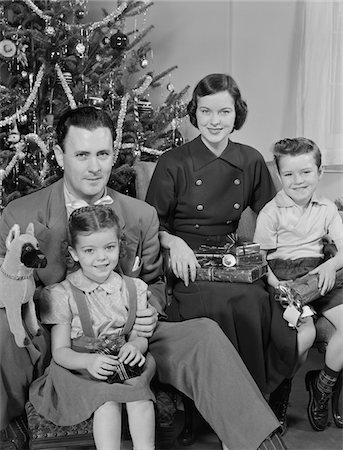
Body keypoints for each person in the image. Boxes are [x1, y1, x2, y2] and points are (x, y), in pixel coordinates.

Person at [0, 105, 286, 450]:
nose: (95, 167)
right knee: (3, 330)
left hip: (128, 329)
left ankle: (258, 442)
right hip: (57, 336)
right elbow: (10, 288)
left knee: (203, 334)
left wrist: (147, 312)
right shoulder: (21, 214)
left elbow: (154, 283)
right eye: (83, 155)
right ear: (61, 156)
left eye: (103, 154)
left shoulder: (141, 215)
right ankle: (6, 420)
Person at [145, 73, 278, 392]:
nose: (214, 121)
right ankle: (201, 406)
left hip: (230, 258)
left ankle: (248, 403)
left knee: (252, 301)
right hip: (186, 260)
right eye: (205, 111)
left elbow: (274, 215)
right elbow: (153, 224)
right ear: (195, 112)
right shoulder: (172, 161)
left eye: (224, 112)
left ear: (237, 114)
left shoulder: (251, 159)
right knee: (207, 304)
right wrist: (173, 242)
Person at [29, 205, 156, 450]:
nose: (101, 258)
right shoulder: (62, 294)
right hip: (81, 366)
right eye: (89, 250)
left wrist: (135, 345)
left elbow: (139, 335)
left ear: (119, 245)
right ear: (74, 253)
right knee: (106, 402)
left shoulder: (134, 288)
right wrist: (88, 362)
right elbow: (61, 351)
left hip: (121, 361)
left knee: (140, 397)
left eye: (109, 248)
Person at [253, 137, 343, 433]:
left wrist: (331, 265)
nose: (298, 180)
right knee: (303, 336)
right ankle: (279, 397)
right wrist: (277, 284)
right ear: (279, 176)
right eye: (289, 174)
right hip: (285, 278)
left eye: (306, 172)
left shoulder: (328, 208)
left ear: (320, 172)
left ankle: (322, 386)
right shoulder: (271, 212)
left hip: (322, 274)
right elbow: (260, 259)